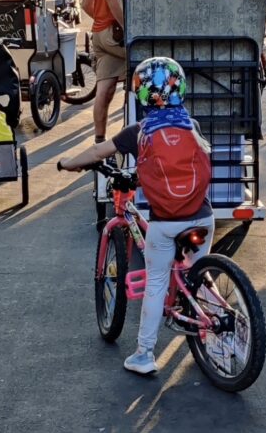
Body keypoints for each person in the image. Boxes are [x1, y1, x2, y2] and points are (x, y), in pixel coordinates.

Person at [60, 57, 214, 376]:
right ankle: (213, 333)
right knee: (199, 273)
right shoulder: (191, 125)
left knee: (156, 282)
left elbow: (96, 153)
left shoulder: (139, 132)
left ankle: (144, 355)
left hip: (166, 223)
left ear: (141, 94)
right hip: (203, 218)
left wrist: (68, 163)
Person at [79, 0, 140, 142]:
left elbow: (85, 3)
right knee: (149, 66)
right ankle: (139, 134)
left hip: (99, 35)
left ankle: (99, 140)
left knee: (104, 89)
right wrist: (127, 27)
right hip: (116, 36)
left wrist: (103, 21)